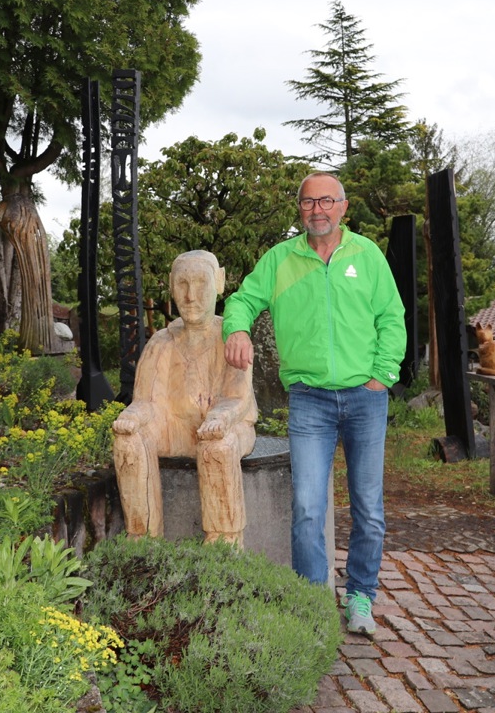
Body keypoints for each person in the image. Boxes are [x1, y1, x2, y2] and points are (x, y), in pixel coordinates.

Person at [222, 172, 405, 636]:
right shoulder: (281, 259)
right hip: (310, 401)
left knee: (368, 505)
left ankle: (360, 596)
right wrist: (237, 328)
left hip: (366, 399)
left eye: (327, 201)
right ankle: (311, 605)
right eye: (308, 203)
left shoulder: (367, 256)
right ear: (300, 210)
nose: (317, 210)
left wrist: (382, 375)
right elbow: (243, 299)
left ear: (343, 206)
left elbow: (392, 317)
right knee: (306, 506)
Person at [113, 250, 257, 546]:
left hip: (230, 426)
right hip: (175, 429)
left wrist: (219, 417)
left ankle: (224, 540)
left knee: (218, 445)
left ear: (219, 282)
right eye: (182, 284)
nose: (191, 295)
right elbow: (148, 401)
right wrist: (133, 416)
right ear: (170, 286)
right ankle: (142, 536)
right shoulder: (161, 342)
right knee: (129, 441)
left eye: (201, 283)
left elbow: (237, 398)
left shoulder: (231, 337)